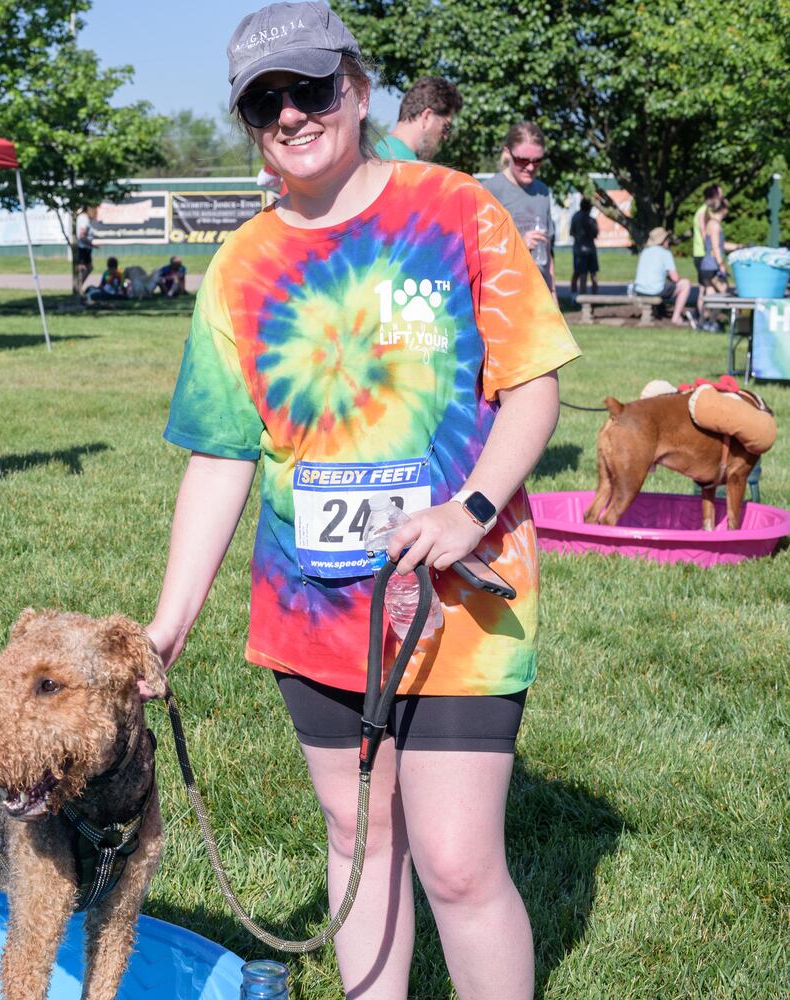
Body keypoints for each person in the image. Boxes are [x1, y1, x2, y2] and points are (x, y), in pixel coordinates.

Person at [149, 5, 580, 998]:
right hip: (312, 607)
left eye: (310, 88)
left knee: (458, 862)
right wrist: (170, 624)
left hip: (462, 595)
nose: (290, 114)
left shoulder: (456, 210)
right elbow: (221, 458)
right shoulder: (240, 266)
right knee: (357, 834)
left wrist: (469, 510)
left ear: (356, 87)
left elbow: (533, 385)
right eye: (264, 101)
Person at [483, 122, 556, 294]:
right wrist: (520, 246)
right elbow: (480, 255)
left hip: (538, 295)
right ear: (507, 153)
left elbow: (548, 253)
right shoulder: (489, 191)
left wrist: (553, 296)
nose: (530, 167)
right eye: (523, 160)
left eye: (537, 161)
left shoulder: (542, 192)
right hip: (505, 295)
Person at [373, 76, 462, 162]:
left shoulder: (377, 153)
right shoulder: (407, 167)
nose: (445, 137)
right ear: (427, 117)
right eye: (446, 127)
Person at [633, 227, 693, 326]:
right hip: (654, 290)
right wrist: (680, 279)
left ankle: (658, 311)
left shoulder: (644, 252)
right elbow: (675, 278)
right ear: (663, 241)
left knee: (662, 283)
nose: (668, 241)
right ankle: (676, 317)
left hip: (640, 290)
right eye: (667, 239)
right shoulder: (665, 253)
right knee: (685, 284)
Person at [691, 183, 724, 285]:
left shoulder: (708, 211)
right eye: (720, 195)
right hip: (703, 255)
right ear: (714, 196)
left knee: (705, 288)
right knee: (715, 286)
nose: (722, 198)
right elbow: (705, 236)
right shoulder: (704, 212)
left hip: (705, 255)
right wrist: (716, 255)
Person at [569, 197, 600, 297]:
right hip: (589, 249)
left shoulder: (575, 217)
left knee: (579, 274)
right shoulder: (591, 220)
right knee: (592, 274)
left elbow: (571, 232)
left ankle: (577, 297)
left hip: (579, 250)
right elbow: (595, 234)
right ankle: (594, 298)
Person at [74, 206, 98, 297]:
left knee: (88, 268)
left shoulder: (84, 218)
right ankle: (79, 287)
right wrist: (91, 244)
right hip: (83, 248)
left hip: (85, 247)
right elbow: (82, 235)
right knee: (84, 268)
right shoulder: (84, 219)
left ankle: (79, 287)